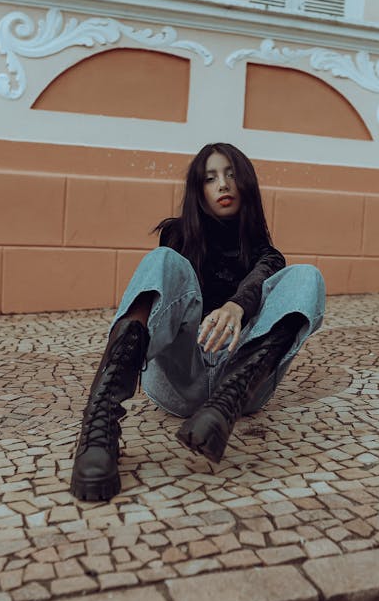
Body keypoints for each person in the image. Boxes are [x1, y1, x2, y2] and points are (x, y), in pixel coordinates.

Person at [70, 143, 325, 502]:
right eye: (211, 178)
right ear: (198, 190)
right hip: (180, 378)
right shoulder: (178, 238)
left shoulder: (267, 255)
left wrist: (236, 307)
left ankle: (222, 406)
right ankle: (99, 426)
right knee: (164, 261)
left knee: (307, 276)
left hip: (239, 390)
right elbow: (171, 288)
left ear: (247, 185)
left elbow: (260, 277)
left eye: (232, 175)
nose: (223, 184)